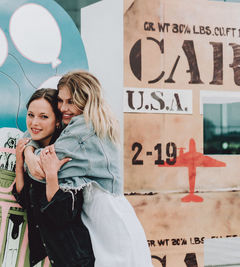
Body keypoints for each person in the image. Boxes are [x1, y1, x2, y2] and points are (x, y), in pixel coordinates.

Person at [24, 71, 153, 267]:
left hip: (107, 222)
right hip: (109, 217)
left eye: (71, 101)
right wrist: (28, 150)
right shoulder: (93, 122)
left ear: (86, 100)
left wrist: (29, 154)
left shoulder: (84, 129)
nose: (64, 108)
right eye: (61, 101)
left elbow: (41, 168)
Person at [12, 88, 95, 267]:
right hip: (46, 257)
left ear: (57, 122)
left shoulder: (65, 154)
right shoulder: (31, 153)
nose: (34, 122)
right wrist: (20, 163)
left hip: (73, 258)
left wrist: (51, 176)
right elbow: (25, 199)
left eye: (43, 117)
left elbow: (62, 215)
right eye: (31, 115)